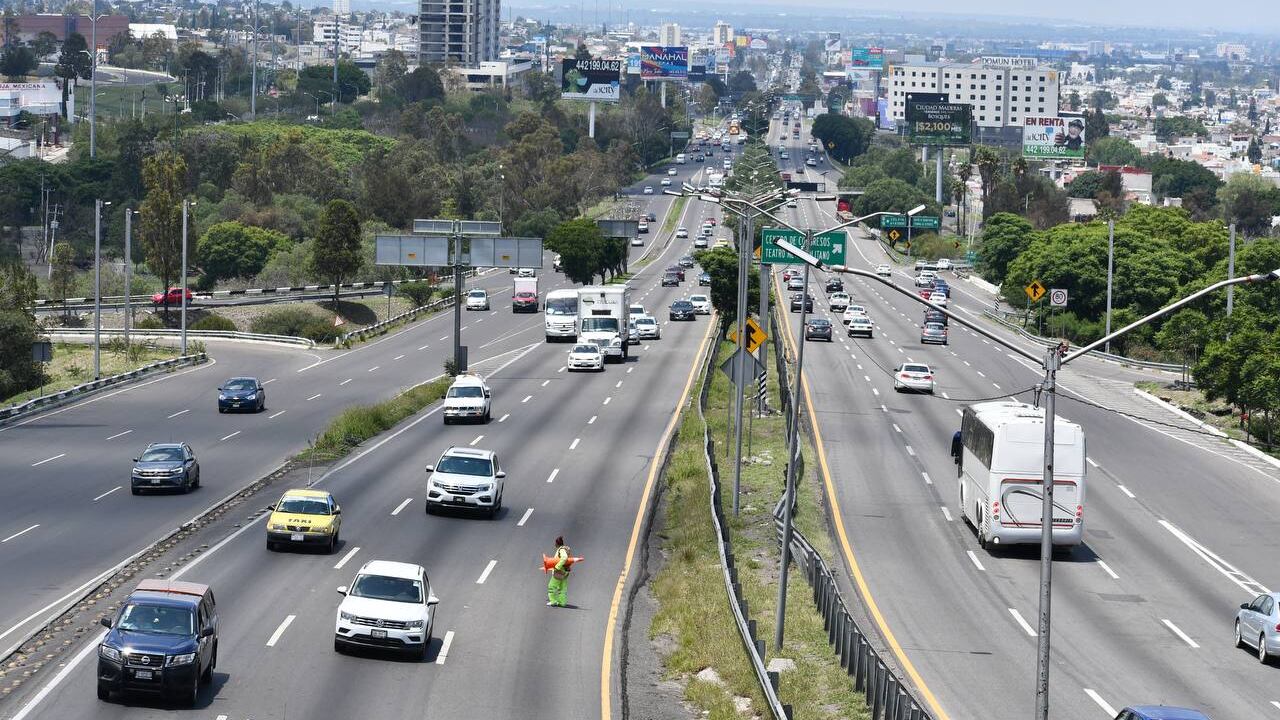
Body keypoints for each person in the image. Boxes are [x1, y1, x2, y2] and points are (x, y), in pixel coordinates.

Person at [547, 536, 570, 608]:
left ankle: (553, 601)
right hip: (565, 571)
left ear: (557, 544)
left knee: (551, 586)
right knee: (562, 588)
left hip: (559, 572)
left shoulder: (561, 550)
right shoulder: (565, 549)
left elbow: (564, 558)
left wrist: (557, 567)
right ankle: (562, 602)